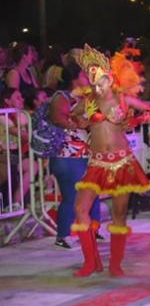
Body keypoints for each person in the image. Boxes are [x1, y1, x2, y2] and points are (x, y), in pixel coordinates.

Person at [71, 44, 150, 277]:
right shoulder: (88, 100)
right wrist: (83, 122)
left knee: (119, 213)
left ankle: (115, 263)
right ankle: (91, 262)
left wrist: (133, 121)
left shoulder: (123, 99)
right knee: (81, 208)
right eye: (92, 80)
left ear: (109, 78)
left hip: (122, 163)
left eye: (100, 79)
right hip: (97, 163)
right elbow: (73, 115)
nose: (96, 84)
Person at [47, 63, 102, 249]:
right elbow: (57, 118)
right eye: (84, 76)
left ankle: (93, 228)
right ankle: (63, 235)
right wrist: (77, 122)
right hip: (65, 154)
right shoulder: (61, 97)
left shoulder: (84, 97)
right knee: (71, 195)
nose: (87, 78)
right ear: (75, 78)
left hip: (82, 153)